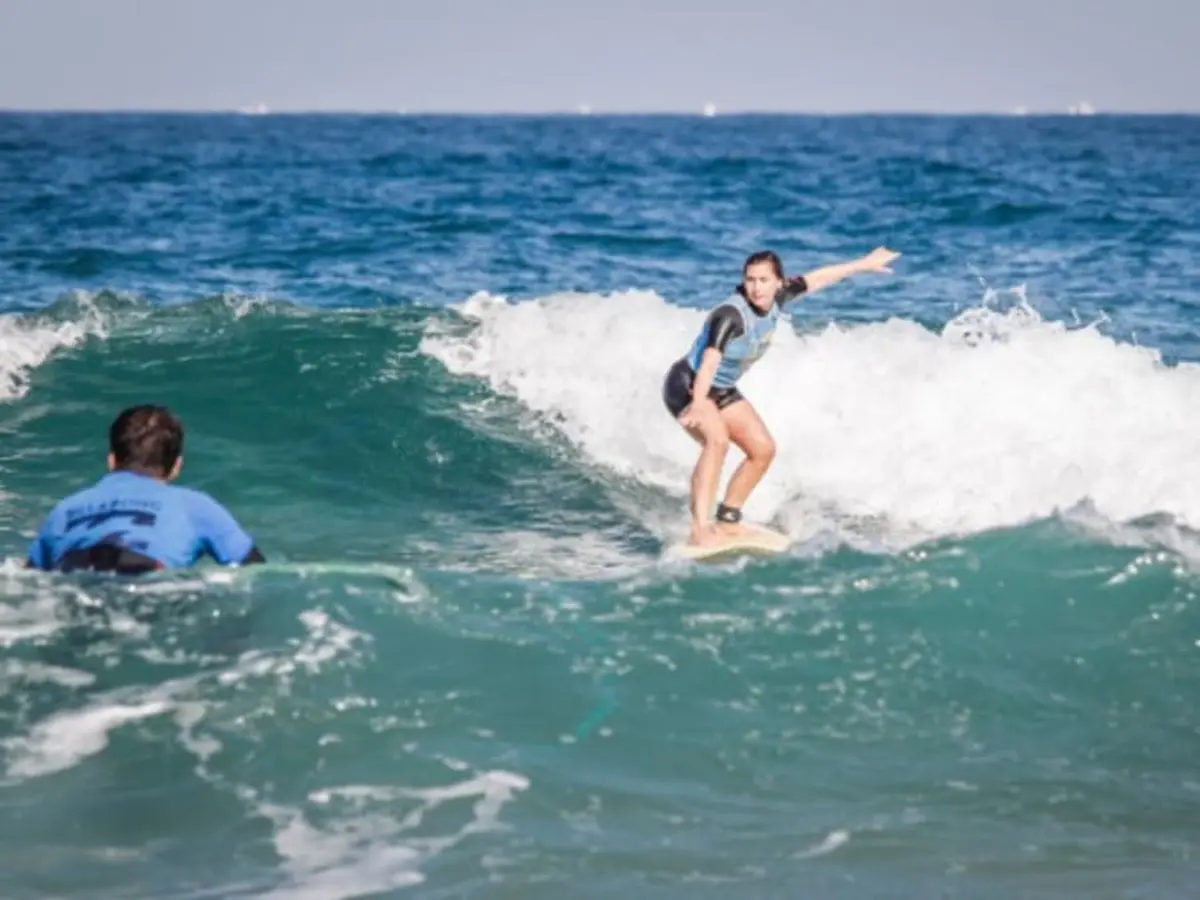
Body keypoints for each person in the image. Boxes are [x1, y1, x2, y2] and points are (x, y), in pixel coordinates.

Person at [662, 246, 901, 547]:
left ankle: (729, 520)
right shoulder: (730, 316)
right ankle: (700, 528)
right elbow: (709, 361)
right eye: (750, 280)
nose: (757, 288)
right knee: (717, 441)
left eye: (763, 280)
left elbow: (819, 278)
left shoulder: (780, 296)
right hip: (688, 385)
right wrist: (697, 404)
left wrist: (863, 264)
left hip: (720, 390)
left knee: (762, 449)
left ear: (779, 282)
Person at [25, 404, 266, 575]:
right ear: (176, 467)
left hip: (77, 574)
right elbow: (256, 573)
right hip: (146, 575)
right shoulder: (195, 506)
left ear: (111, 460)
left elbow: (30, 579)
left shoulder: (65, 509)